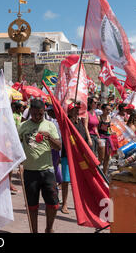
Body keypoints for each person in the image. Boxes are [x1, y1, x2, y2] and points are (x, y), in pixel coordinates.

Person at [18, 99, 61, 233]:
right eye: (35, 114)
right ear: (30, 111)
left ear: (44, 113)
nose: (37, 117)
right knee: (32, 206)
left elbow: (58, 146)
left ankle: (49, 228)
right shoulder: (23, 126)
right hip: (29, 172)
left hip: (47, 171)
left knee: (53, 204)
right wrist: (18, 162)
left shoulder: (50, 126)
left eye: (40, 114)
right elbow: (16, 146)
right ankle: (34, 231)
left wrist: (50, 138)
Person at [64, 102, 86, 214]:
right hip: (67, 155)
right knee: (66, 180)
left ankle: (79, 203)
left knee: (78, 181)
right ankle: (64, 203)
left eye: (78, 109)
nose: (77, 111)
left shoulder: (80, 122)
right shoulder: (66, 122)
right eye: (75, 109)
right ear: (70, 111)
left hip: (78, 155)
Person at [98, 103, 113, 176]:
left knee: (108, 156)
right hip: (101, 137)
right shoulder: (99, 117)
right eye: (107, 110)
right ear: (103, 110)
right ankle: (98, 171)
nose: (109, 111)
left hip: (108, 137)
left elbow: (109, 128)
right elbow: (97, 129)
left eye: (109, 110)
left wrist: (111, 132)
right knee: (102, 157)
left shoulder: (109, 118)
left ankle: (104, 172)